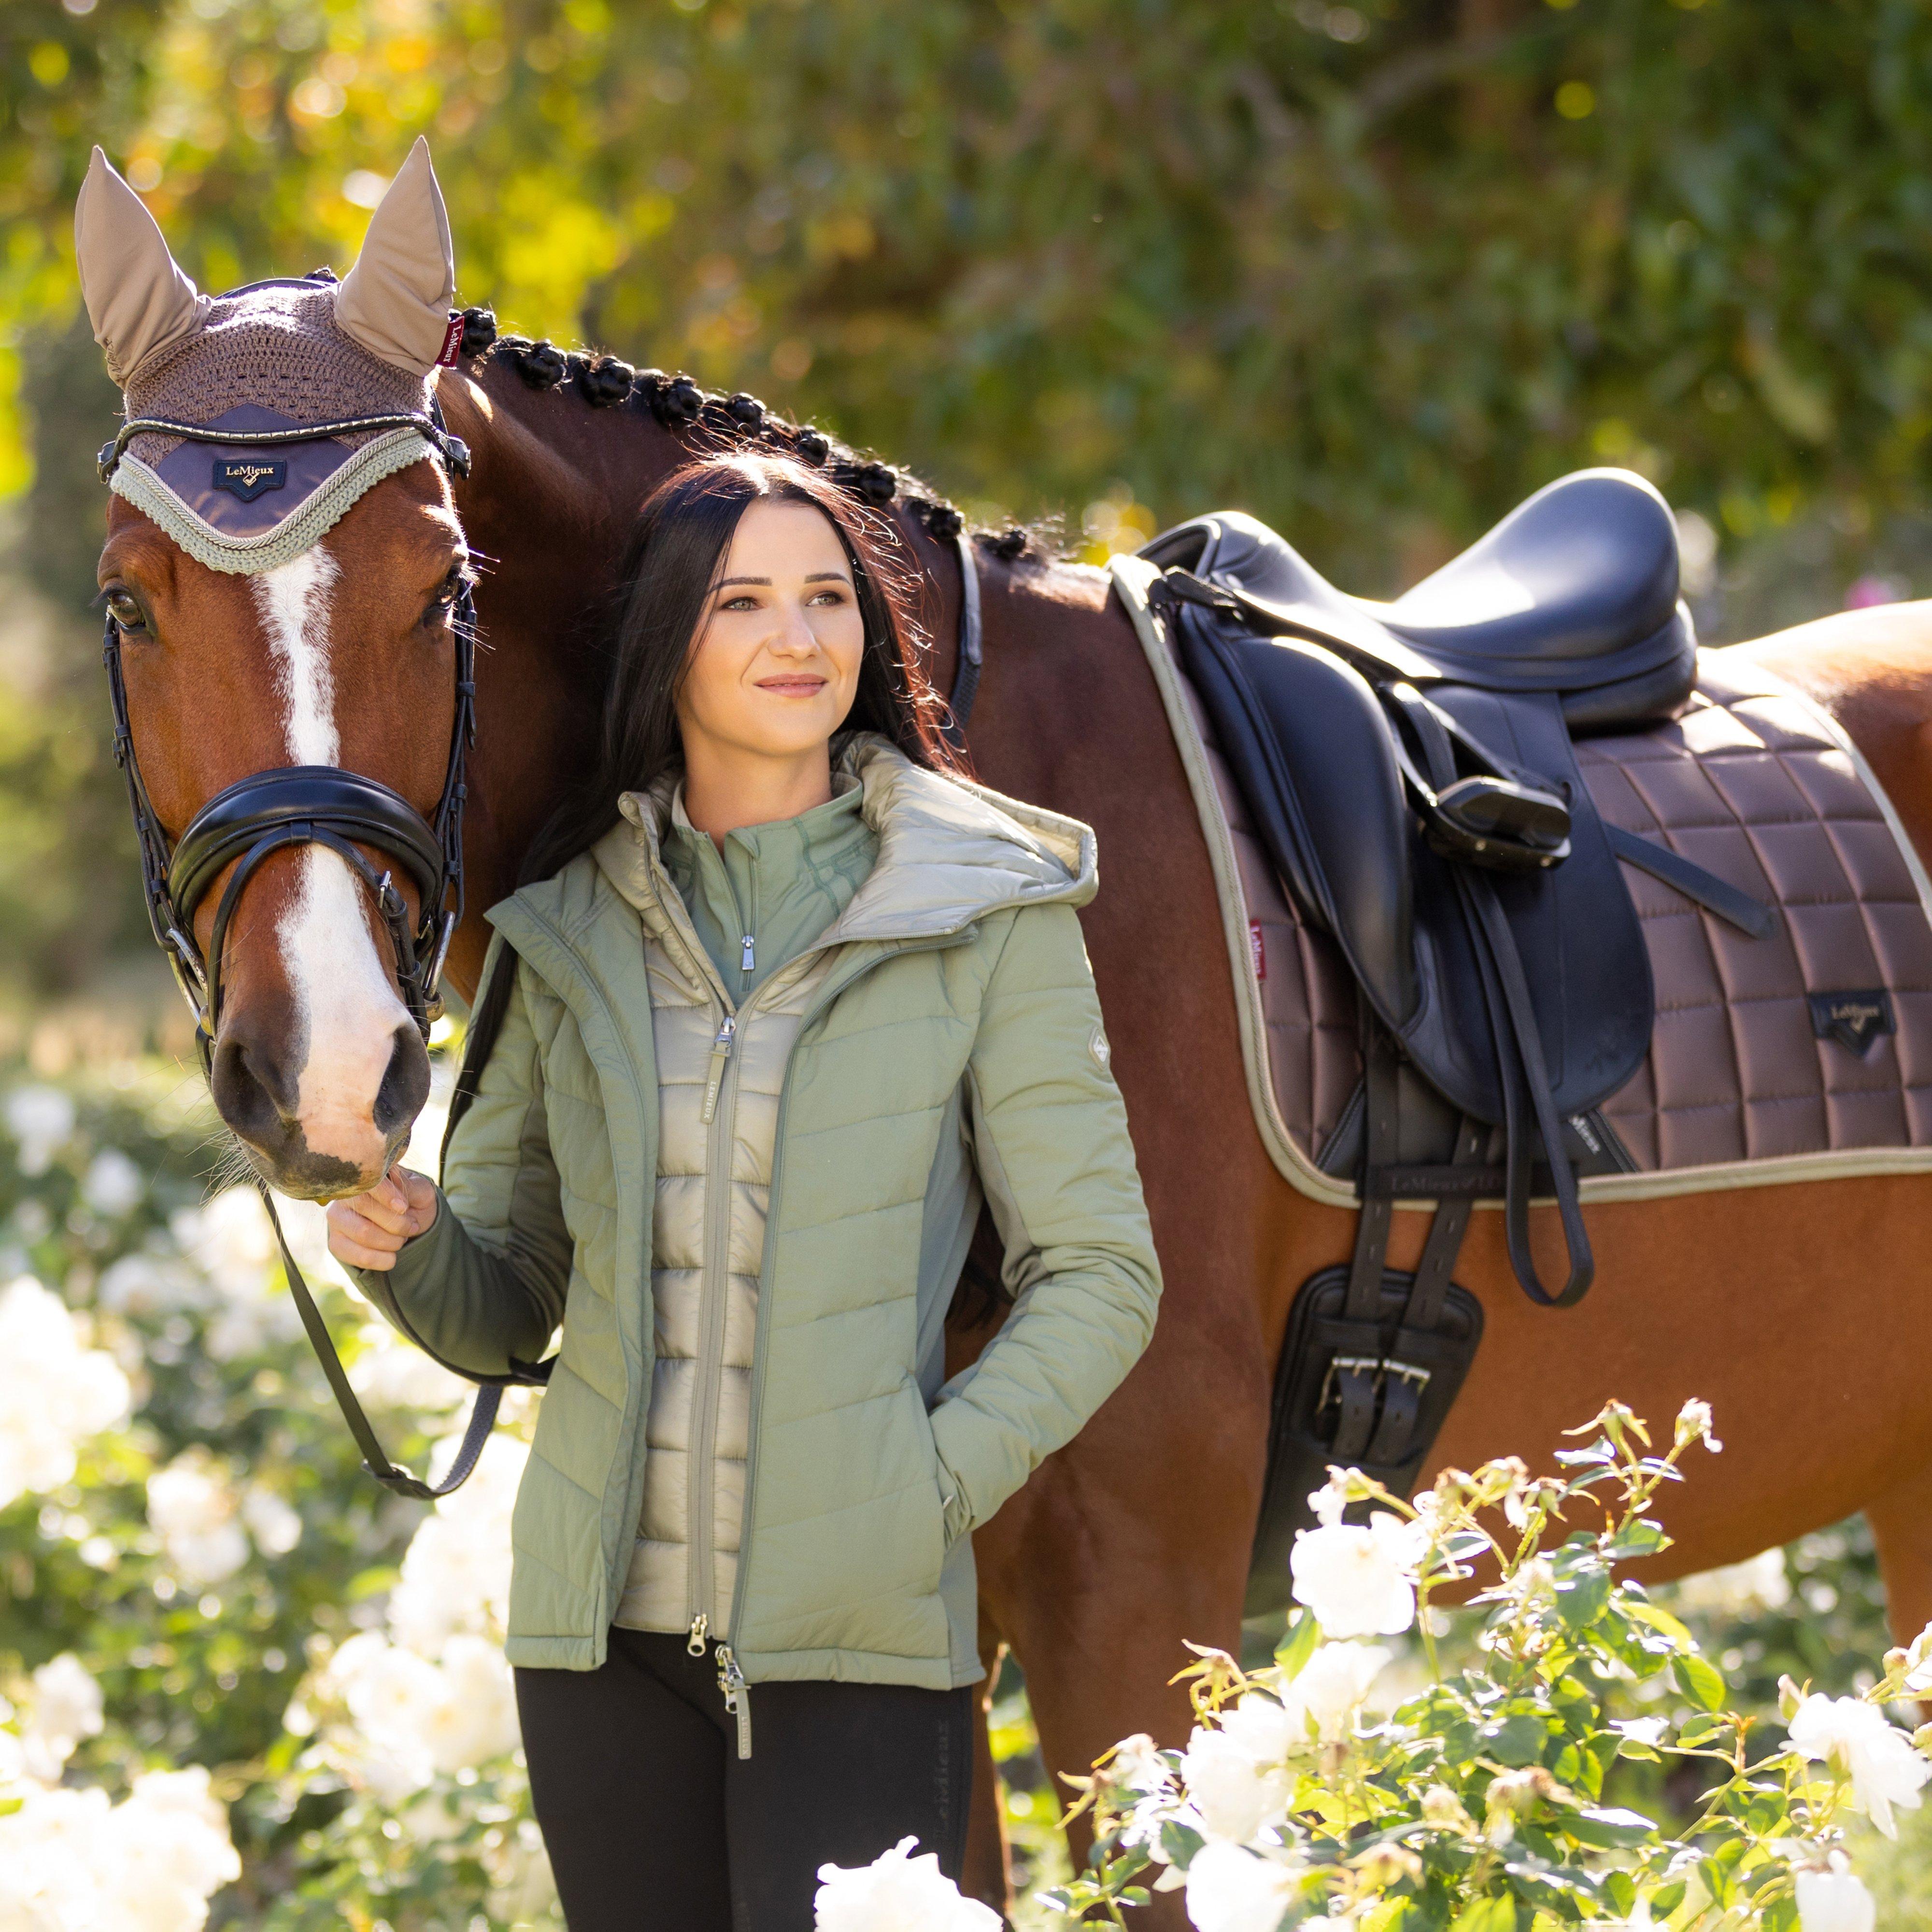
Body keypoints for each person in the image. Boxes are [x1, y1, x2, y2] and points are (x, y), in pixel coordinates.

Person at [324, 450, 1162, 1930]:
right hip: (597, 1649)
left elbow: (1101, 1271)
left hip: (860, 1638)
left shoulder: (986, 907)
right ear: (668, 641)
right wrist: (407, 1249)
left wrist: (928, 1484)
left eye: (831, 598)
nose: (801, 638)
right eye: (747, 602)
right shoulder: (564, 920)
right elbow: (514, 1299)